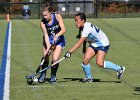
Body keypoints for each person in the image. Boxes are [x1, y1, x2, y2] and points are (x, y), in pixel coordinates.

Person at [64, 12, 125, 83]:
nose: (75, 22)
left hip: (103, 43)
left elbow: (79, 43)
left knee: (99, 63)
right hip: (95, 43)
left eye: (77, 20)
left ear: (83, 20)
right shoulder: (82, 27)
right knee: (85, 60)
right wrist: (84, 48)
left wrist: (69, 52)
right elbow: (83, 38)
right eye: (75, 20)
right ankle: (89, 78)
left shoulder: (87, 28)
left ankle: (120, 69)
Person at [39, 3, 66, 83]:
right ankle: (43, 74)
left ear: (50, 13)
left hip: (59, 40)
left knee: (55, 59)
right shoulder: (42, 23)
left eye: (46, 15)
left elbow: (63, 29)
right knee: (45, 56)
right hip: (48, 40)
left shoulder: (57, 16)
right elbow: (46, 35)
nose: (44, 17)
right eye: (43, 15)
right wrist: (48, 47)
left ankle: (53, 76)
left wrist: (57, 35)